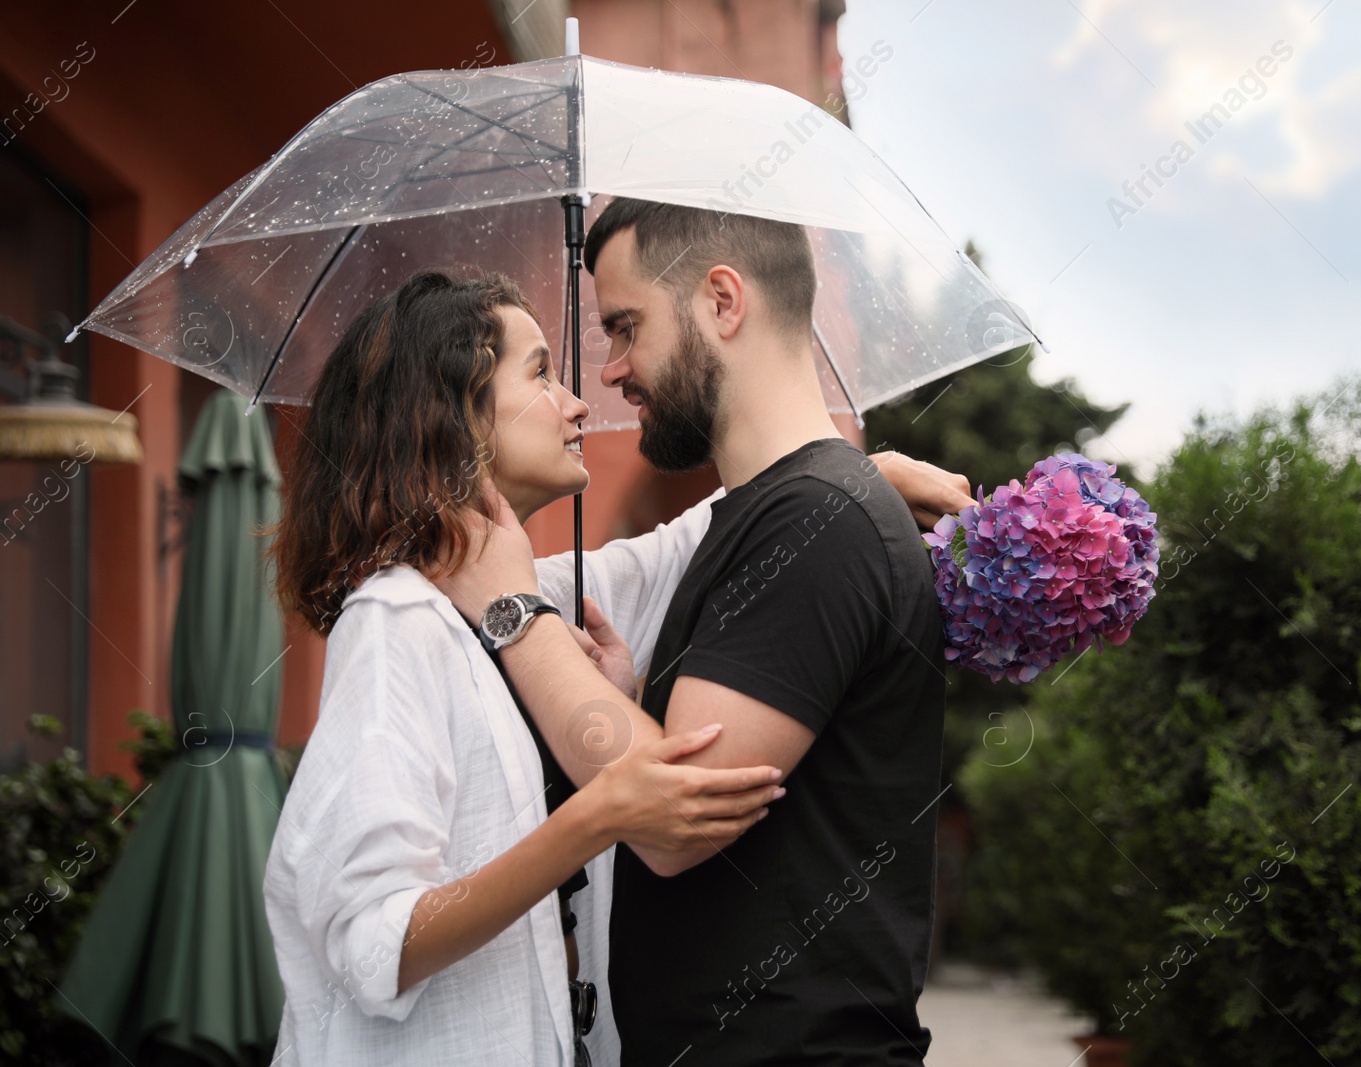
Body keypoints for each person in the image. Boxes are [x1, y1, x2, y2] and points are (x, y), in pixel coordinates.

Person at [263, 266, 968, 1066]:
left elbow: (686, 543)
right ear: (454, 415)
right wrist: (596, 818)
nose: (577, 402)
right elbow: (372, 942)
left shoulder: (541, 592)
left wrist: (859, 474)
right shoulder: (393, 621)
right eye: (541, 374)